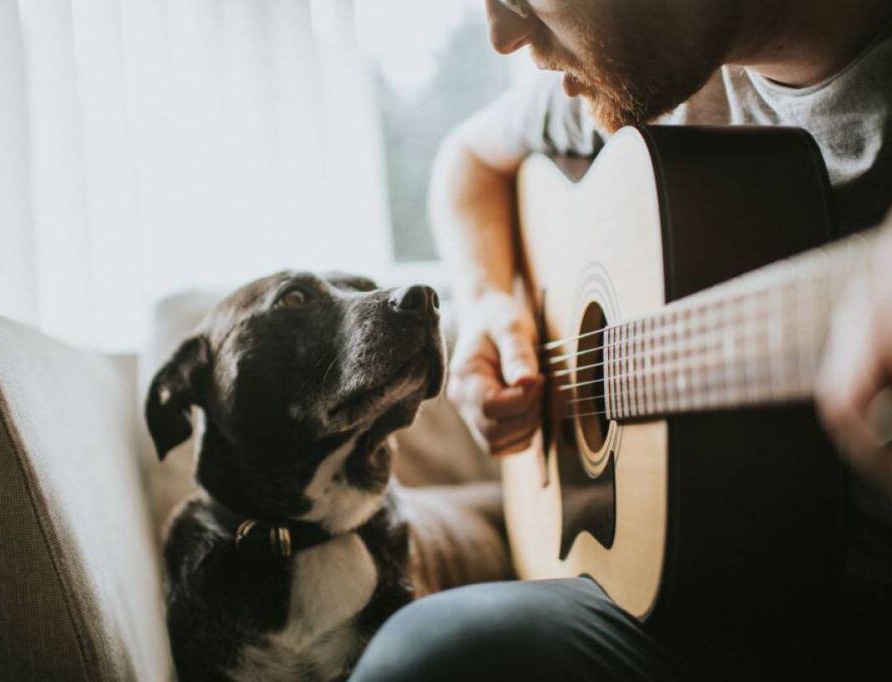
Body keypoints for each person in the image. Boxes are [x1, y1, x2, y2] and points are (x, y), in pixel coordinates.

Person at [350, 0, 892, 679]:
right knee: (427, 656)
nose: (502, 34)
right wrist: (490, 301)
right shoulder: (651, 70)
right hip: (699, 596)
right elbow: (467, 162)